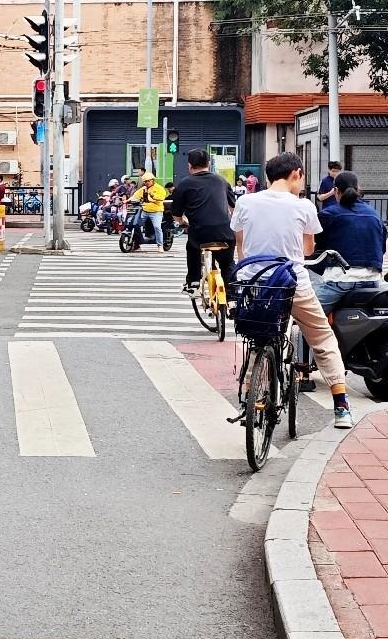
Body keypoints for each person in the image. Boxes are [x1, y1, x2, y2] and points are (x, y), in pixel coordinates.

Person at [232, 151, 353, 430]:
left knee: (258, 334)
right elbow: (308, 249)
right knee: (322, 337)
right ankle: (341, 406)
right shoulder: (303, 206)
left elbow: (240, 243)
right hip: (291, 282)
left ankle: (251, 390)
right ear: (296, 174)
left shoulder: (245, 201)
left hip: (254, 281)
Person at [313, 171, 388, 311]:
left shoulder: (329, 214)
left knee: (310, 318)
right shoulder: (375, 215)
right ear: (358, 189)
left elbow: (316, 246)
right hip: (371, 282)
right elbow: (381, 246)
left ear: (335, 190)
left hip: (339, 281)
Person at [171, 149, 237, 295]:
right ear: (208, 164)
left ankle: (193, 282)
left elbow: (176, 215)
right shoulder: (222, 181)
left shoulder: (184, 184)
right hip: (225, 232)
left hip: (200, 233)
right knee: (227, 263)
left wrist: (182, 221)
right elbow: (234, 207)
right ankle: (233, 296)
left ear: (190, 166)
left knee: (192, 248)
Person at [131, 171, 168, 251]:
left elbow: (162, 197)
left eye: (148, 181)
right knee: (135, 224)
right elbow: (135, 196)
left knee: (157, 227)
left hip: (156, 212)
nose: (147, 183)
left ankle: (160, 245)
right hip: (144, 211)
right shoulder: (143, 189)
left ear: (152, 180)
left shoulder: (159, 188)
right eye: (145, 181)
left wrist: (153, 196)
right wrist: (127, 200)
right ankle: (137, 244)